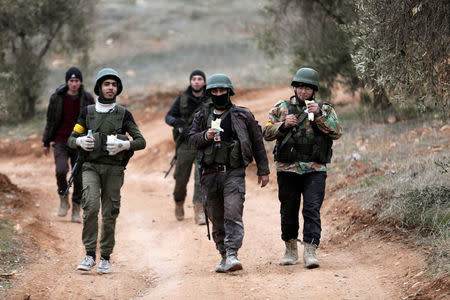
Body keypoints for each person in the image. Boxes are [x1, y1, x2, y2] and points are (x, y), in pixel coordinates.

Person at [187, 73, 270, 273]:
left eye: (222, 90)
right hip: (210, 174)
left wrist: (263, 169)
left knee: (232, 212)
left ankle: (233, 253)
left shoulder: (242, 115)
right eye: (214, 91)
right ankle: (223, 254)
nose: (218, 93)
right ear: (209, 93)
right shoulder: (202, 115)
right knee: (216, 215)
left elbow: (257, 141)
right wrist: (205, 136)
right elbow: (190, 140)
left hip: (233, 172)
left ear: (229, 91)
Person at [68, 68, 146, 274]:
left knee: (110, 213)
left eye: (114, 84)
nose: (110, 88)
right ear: (99, 87)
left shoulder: (124, 114)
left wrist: (124, 145)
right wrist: (80, 141)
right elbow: (70, 139)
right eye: (106, 84)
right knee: (91, 207)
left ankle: (105, 257)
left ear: (118, 88)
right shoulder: (87, 112)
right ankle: (89, 254)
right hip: (90, 167)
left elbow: (141, 141)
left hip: (114, 170)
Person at [263, 67, 342, 268]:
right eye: (299, 87)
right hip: (287, 169)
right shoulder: (281, 107)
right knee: (288, 209)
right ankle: (290, 247)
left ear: (313, 90)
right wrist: (282, 125)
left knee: (311, 208)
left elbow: (336, 132)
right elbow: (265, 131)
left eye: (307, 88)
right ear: (295, 88)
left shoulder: (325, 109)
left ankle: (310, 249)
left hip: (315, 168)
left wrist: (320, 116)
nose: (303, 92)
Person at [42, 67, 94, 223]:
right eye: (71, 81)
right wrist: (46, 141)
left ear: (80, 82)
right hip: (61, 140)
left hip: (80, 142)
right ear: (67, 82)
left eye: (76, 80)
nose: (74, 84)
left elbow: (93, 121)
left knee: (79, 177)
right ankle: (63, 198)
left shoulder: (87, 98)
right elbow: (50, 120)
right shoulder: (57, 98)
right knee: (61, 170)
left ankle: (76, 208)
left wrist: (93, 141)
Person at [165, 70, 208, 224]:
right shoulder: (182, 98)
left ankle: (199, 211)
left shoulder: (209, 98)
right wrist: (177, 123)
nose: (196, 81)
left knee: (200, 178)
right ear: (190, 81)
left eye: (200, 79)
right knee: (181, 179)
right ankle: (179, 203)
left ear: (204, 81)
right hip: (185, 145)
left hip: (203, 144)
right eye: (194, 79)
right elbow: (168, 116)